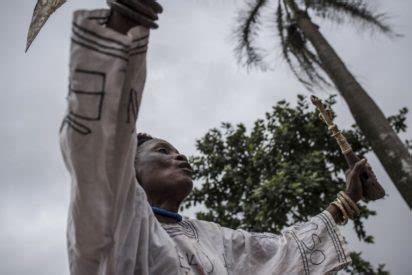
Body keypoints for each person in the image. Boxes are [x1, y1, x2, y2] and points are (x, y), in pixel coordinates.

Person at [60, 1, 378, 274]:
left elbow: (280, 253)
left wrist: (346, 200)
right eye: (162, 151)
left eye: (177, 151)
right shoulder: (119, 218)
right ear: (131, 169)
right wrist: (125, 22)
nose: (179, 157)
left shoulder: (214, 238)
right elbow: (104, 141)